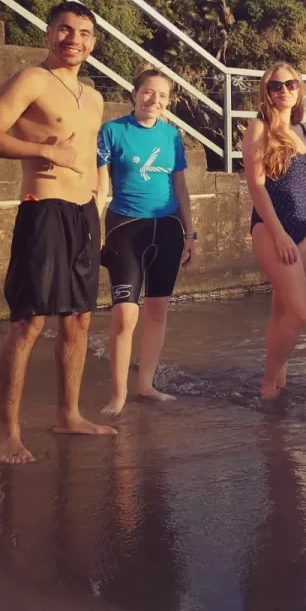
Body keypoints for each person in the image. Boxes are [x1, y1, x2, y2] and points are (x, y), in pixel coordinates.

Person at [0, 0, 116, 464]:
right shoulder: (32, 79)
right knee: (30, 321)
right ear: (49, 32)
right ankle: (6, 433)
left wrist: (100, 199)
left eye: (85, 33)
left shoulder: (93, 95)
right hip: (44, 208)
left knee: (79, 319)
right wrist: (44, 152)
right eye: (65, 29)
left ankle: (68, 414)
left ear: (93, 42)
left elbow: (89, 154)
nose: (74, 39)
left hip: (84, 213)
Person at [96, 69, 196, 416]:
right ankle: (118, 394)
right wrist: (92, 231)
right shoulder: (112, 131)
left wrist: (190, 233)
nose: (155, 100)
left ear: (169, 102)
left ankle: (147, 385)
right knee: (125, 315)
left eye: (163, 96)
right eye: (148, 93)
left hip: (166, 228)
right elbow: (102, 187)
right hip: (125, 226)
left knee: (157, 309)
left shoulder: (171, 136)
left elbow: (180, 188)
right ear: (134, 93)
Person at [242, 62, 306, 399]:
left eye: (290, 84)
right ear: (266, 91)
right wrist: (279, 233)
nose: (283, 91)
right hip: (274, 228)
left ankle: (279, 379)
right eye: (275, 86)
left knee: (283, 309)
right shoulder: (259, 129)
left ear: (299, 89)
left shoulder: (302, 130)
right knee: (300, 313)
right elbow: (257, 188)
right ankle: (268, 382)